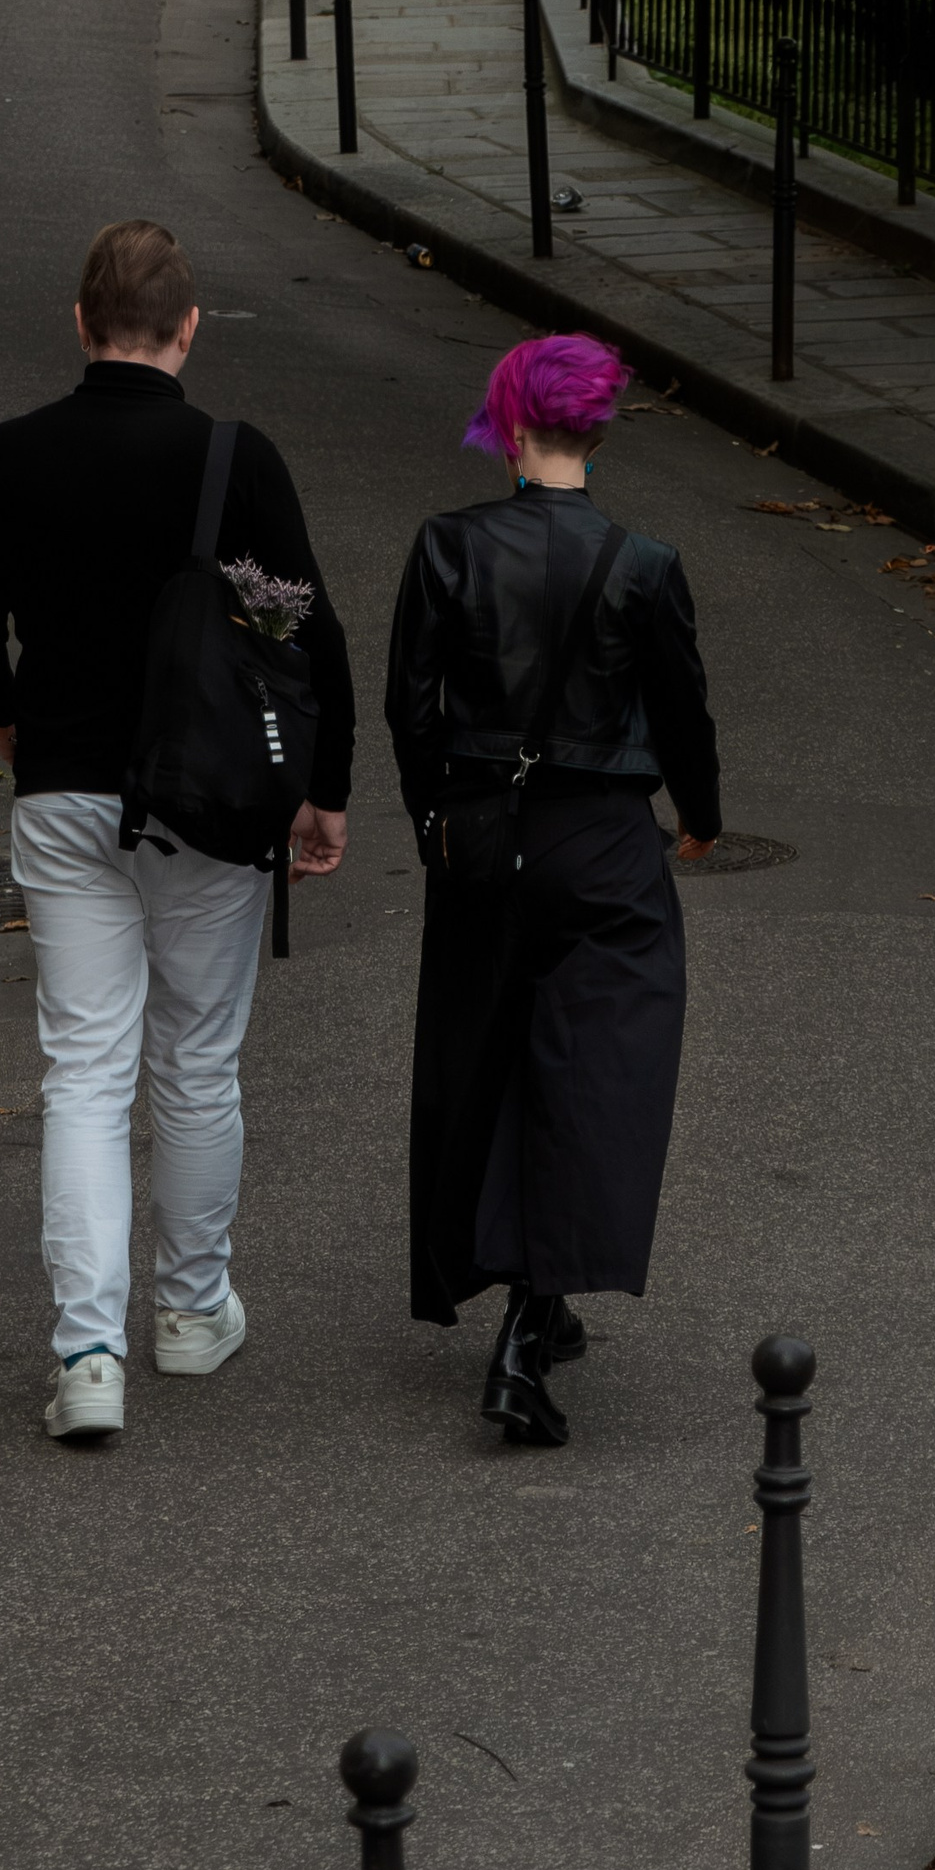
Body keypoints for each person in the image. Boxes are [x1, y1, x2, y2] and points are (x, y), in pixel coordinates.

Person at [0, 219, 353, 1445]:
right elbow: (303, 630)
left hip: (67, 793)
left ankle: (86, 1354)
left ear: (79, 321)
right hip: (210, 806)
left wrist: (16, 727)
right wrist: (321, 787)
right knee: (197, 1060)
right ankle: (187, 1308)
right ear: (187, 328)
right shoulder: (233, 463)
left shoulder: (11, 455)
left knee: (82, 1070)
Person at [386, 334, 720, 1447]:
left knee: (489, 1050)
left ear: (513, 426)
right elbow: (681, 715)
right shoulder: (645, 563)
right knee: (597, 1068)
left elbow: (411, 705)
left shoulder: (446, 544)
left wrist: (434, 816)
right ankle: (533, 1322)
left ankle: (528, 1289)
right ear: (594, 428)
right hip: (606, 844)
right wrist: (702, 817)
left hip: (485, 837)